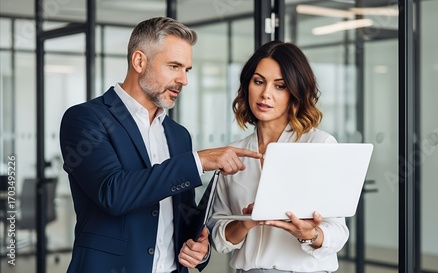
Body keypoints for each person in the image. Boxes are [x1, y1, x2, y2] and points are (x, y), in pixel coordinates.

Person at [59, 17, 261, 273]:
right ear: (139, 61)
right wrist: (199, 161)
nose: (183, 80)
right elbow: (113, 193)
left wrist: (200, 248)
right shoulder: (86, 118)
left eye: (186, 69)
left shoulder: (179, 135)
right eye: (174, 66)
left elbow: (183, 216)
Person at [208, 41, 349, 273]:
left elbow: (338, 232)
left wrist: (309, 234)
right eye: (259, 82)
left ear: (295, 93)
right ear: (247, 86)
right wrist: (247, 222)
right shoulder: (232, 154)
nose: (265, 94)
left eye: (280, 86)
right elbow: (219, 236)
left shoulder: (319, 145)